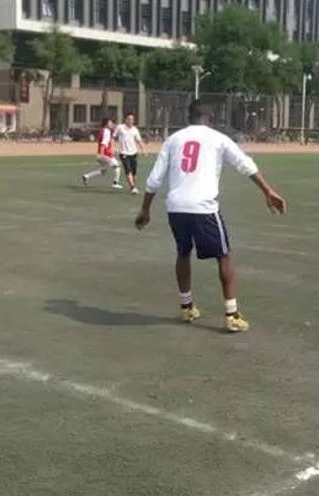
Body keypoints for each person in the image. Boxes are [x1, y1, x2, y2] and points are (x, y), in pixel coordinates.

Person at [135, 100, 286, 333]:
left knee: (183, 253)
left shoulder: (173, 140)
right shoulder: (218, 138)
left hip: (176, 207)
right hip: (203, 208)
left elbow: (155, 179)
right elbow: (245, 164)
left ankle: (187, 307)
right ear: (211, 118)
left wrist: (145, 209)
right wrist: (268, 191)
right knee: (223, 256)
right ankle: (231, 314)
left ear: (188, 117)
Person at [82, 117, 123, 189]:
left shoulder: (103, 130)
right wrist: (103, 155)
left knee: (103, 171)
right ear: (106, 124)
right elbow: (103, 144)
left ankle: (86, 176)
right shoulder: (106, 131)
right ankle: (115, 183)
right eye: (110, 123)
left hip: (101, 154)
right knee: (117, 167)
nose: (111, 124)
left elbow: (105, 143)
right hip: (105, 155)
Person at [114, 112, 147, 195]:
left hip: (134, 153)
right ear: (125, 119)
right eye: (128, 119)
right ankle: (132, 187)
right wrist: (115, 147)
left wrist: (143, 150)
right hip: (124, 153)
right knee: (128, 170)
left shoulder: (135, 130)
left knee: (134, 172)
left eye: (132, 119)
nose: (130, 121)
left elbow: (139, 141)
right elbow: (114, 137)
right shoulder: (120, 127)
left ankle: (133, 186)